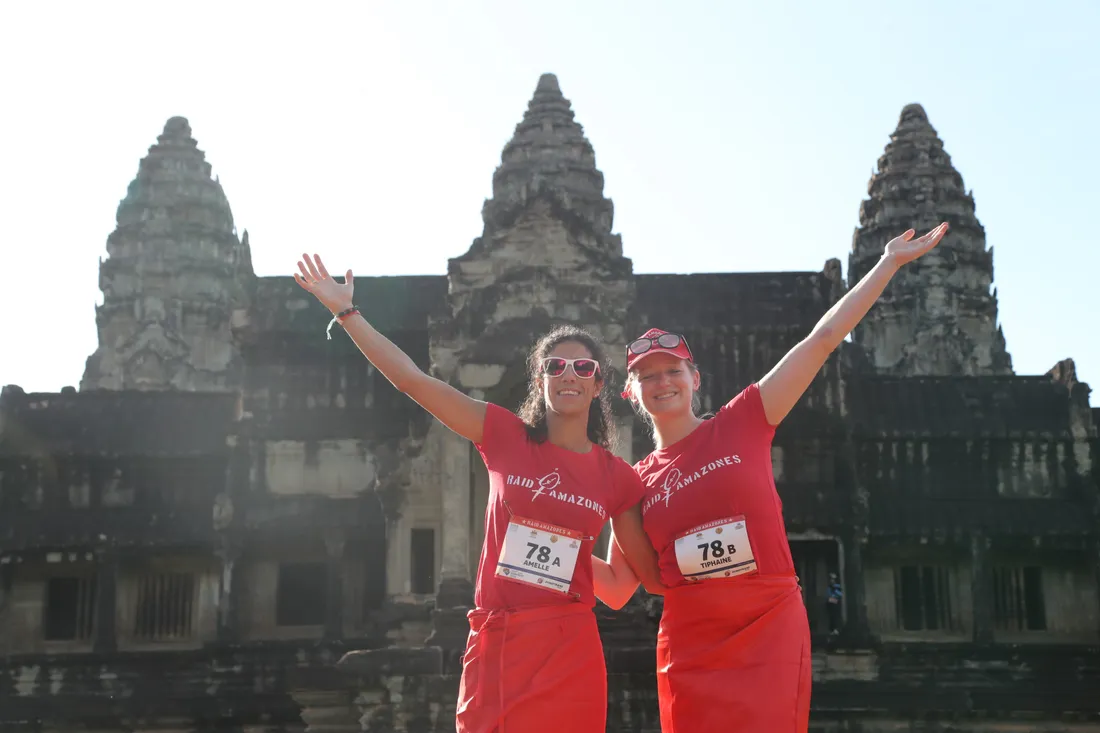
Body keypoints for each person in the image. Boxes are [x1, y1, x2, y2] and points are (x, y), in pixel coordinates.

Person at [293, 253, 661, 732]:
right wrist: (346, 313)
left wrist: (565, 548)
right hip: (499, 639)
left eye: (582, 366)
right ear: (540, 380)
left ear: (598, 385)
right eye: (556, 365)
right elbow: (413, 381)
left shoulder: (620, 478)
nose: (568, 373)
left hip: (569, 650)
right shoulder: (503, 435)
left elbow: (619, 588)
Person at [620, 224, 950, 732]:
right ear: (632, 392)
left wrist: (886, 264)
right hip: (690, 632)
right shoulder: (635, 483)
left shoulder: (743, 421)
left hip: (766, 619)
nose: (661, 383)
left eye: (672, 372)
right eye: (648, 376)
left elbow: (820, 342)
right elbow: (644, 581)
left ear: (694, 380)